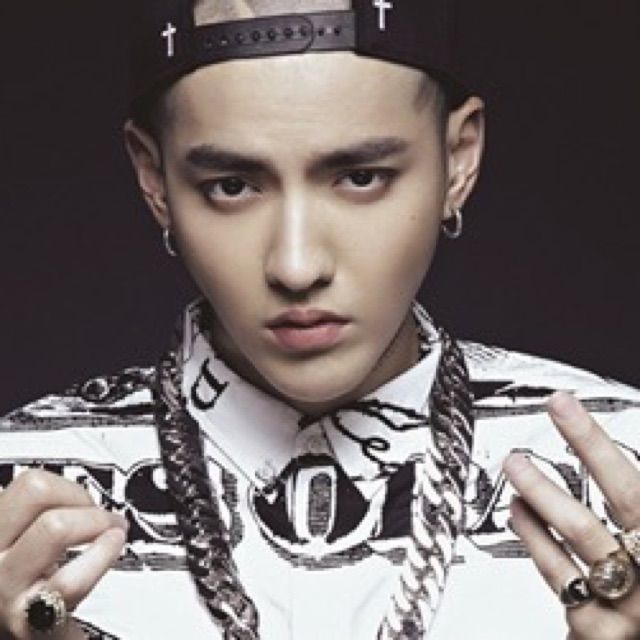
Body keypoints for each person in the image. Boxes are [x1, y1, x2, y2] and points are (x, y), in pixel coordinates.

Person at [1, 1, 640, 639]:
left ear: (458, 159)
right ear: (155, 177)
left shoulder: (627, 464)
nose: (297, 265)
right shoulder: (17, 499)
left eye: (360, 177)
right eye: (232, 185)